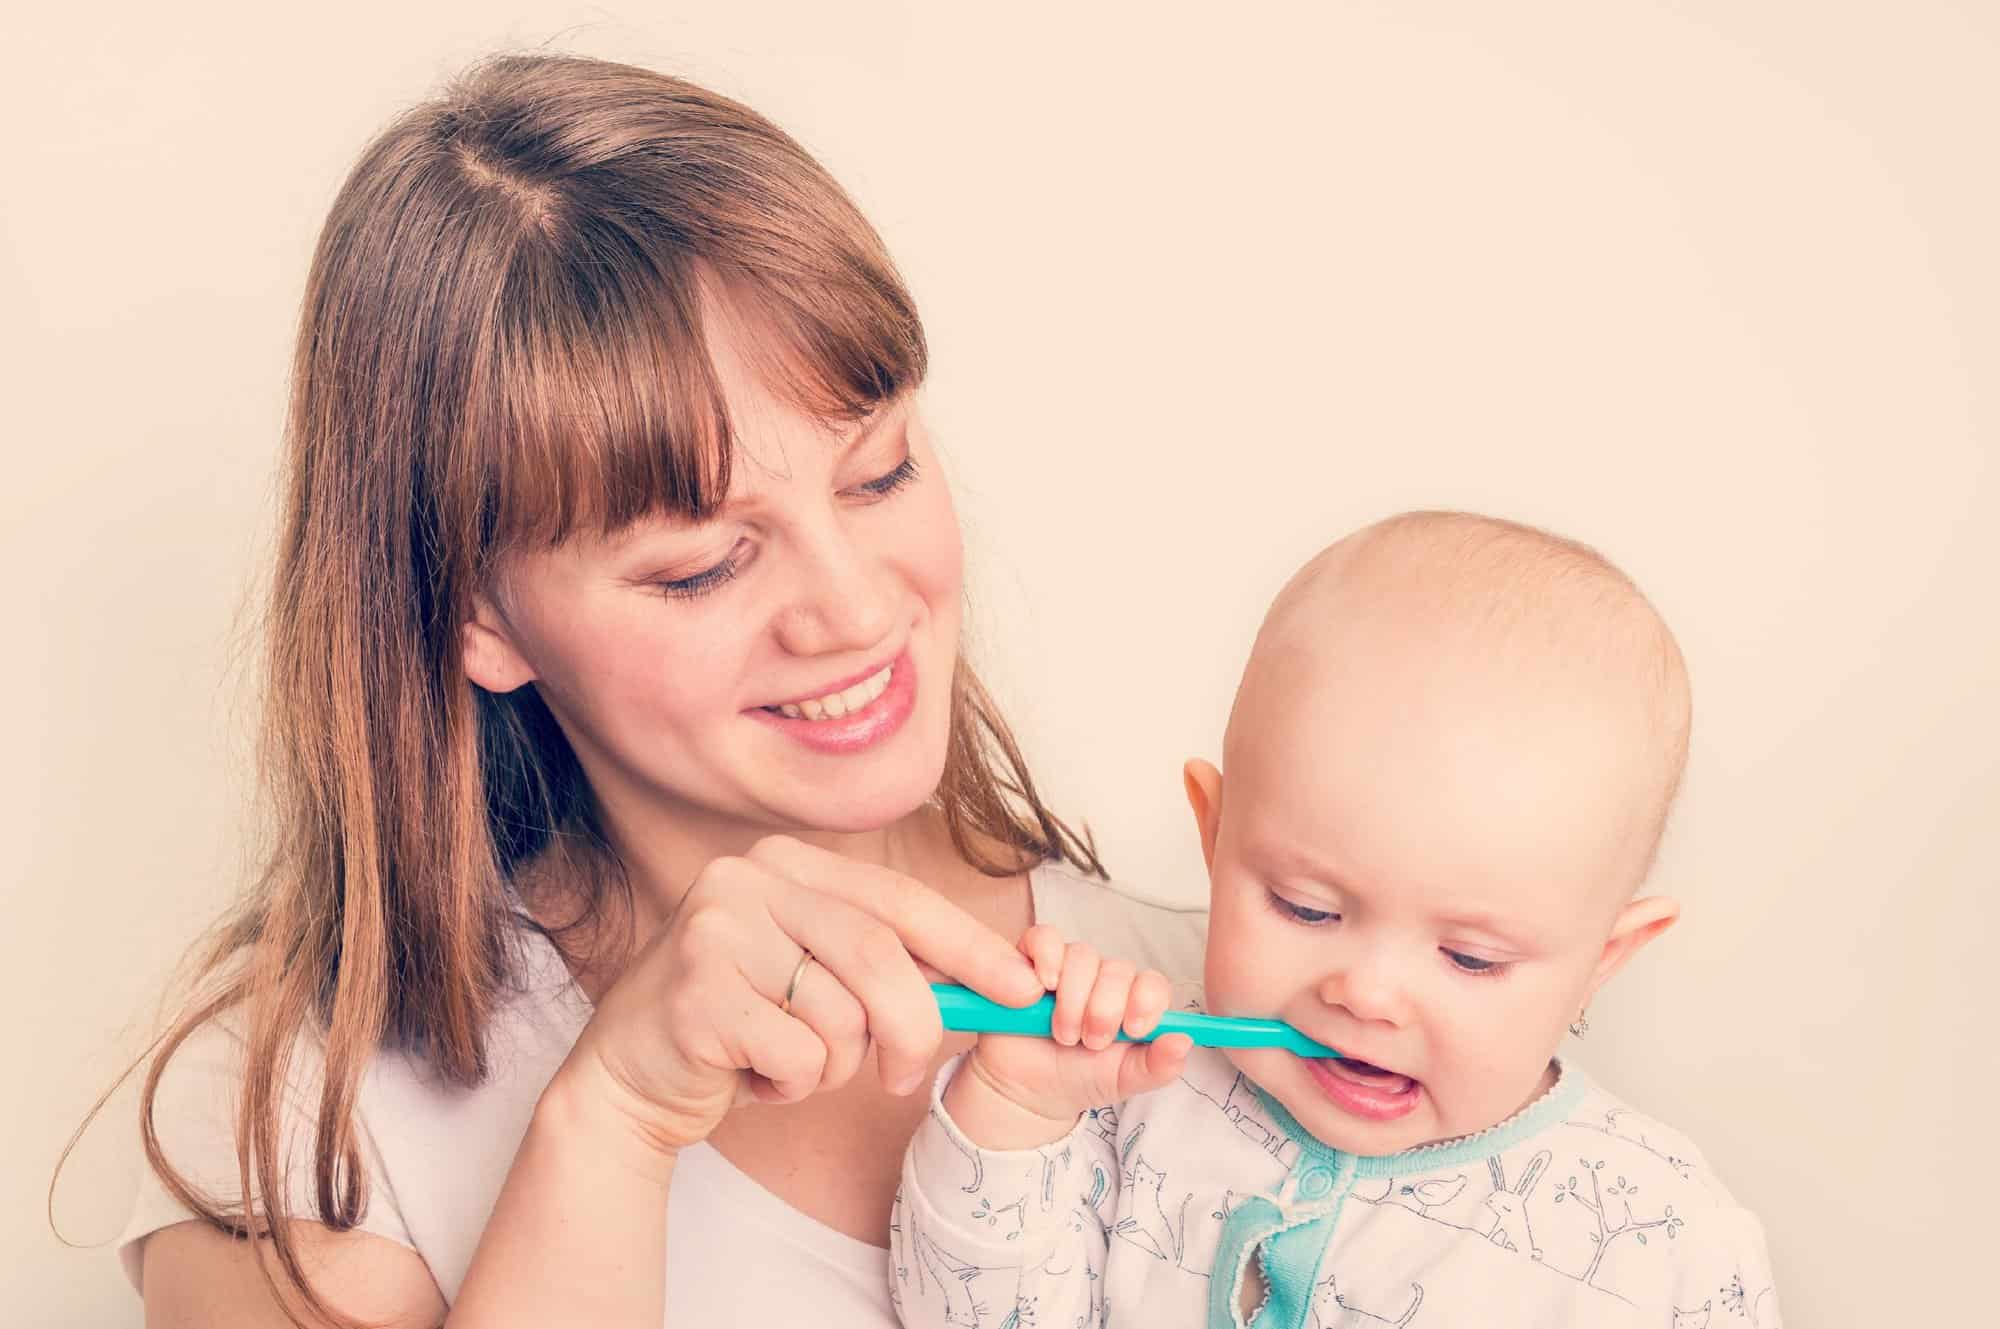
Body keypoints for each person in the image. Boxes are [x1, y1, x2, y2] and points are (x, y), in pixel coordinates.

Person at [105, 52, 1204, 1328]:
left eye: (879, 473)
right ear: (475, 616)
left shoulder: (1229, 994)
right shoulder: (304, 1119)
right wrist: (609, 1118)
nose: (853, 609)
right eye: (700, 567)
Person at [892, 511, 1784, 1329]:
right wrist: (1014, 1107)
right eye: (1305, 907)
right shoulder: (1128, 1093)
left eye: (1470, 958)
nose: (1367, 993)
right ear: (1216, 834)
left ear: (1605, 957)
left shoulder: (1661, 1243)